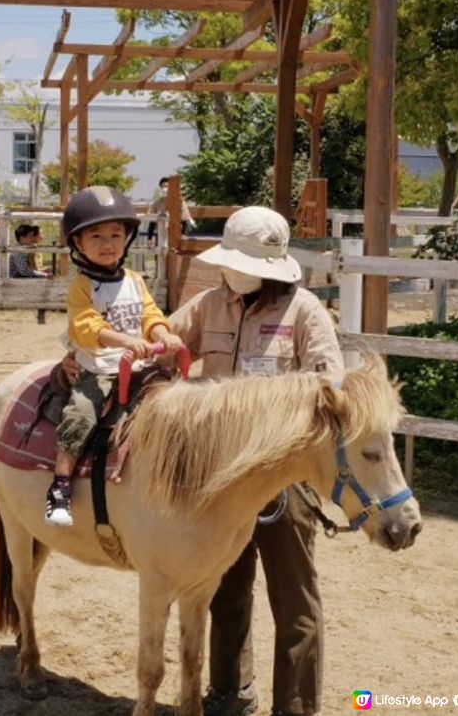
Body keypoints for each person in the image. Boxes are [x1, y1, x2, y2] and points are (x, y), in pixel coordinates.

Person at [167, 206, 345, 716]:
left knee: (295, 600)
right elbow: (165, 344)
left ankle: (296, 707)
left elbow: (330, 387)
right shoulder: (207, 306)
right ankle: (229, 694)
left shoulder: (305, 312)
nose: (234, 271)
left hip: (285, 480)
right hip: (221, 481)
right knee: (225, 590)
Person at [45, 186, 183, 528]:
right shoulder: (81, 286)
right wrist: (124, 340)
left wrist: (163, 334)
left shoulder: (135, 280)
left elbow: (150, 314)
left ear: (127, 239)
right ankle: (60, 486)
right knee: (81, 414)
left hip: (140, 365)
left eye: (115, 235)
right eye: (96, 236)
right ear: (78, 243)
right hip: (101, 369)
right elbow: (86, 326)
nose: (107, 243)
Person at [147, 176, 196, 246]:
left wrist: (184, 238)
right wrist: (149, 238)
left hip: (176, 236)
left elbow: (186, 221)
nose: (164, 189)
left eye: (167, 187)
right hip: (161, 235)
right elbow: (152, 222)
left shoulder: (180, 202)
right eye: (162, 187)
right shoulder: (156, 203)